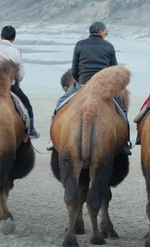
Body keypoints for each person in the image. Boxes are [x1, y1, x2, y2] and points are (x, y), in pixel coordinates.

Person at [47, 21, 132, 155]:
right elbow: (113, 69)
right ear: (101, 31)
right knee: (121, 110)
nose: (106, 34)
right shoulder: (109, 46)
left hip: (81, 85)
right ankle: (126, 141)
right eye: (105, 32)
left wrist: (79, 80)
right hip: (103, 88)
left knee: (60, 105)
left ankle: (52, 139)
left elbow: (74, 69)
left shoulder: (79, 45)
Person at [0, 25, 40, 139]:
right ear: (14, 38)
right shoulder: (15, 51)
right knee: (27, 106)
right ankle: (31, 129)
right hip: (8, 86)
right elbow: (20, 73)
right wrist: (17, 80)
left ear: (1, 36)